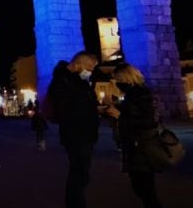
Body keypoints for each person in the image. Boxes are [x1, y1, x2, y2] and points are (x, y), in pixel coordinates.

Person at [103, 63, 162, 208]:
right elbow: (133, 111)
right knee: (140, 186)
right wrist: (116, 106)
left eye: (118, 79)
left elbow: (149, 120)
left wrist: (120, 115)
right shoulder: (132, 94)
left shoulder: (143, 93)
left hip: (142, 145)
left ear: (126, 78)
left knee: (144, 187)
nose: (116, 83)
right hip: (134, 145)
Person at [48, 51, 100, 208]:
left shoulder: (79, 80)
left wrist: (96, 109)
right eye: (89, 68)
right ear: (78, 64)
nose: (90, 72)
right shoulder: (61, 82)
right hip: (76, 135)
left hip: (86, 134)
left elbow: (85, 102)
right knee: (79, 175)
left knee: (82, 175)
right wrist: (89, 109)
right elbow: (63, 111)